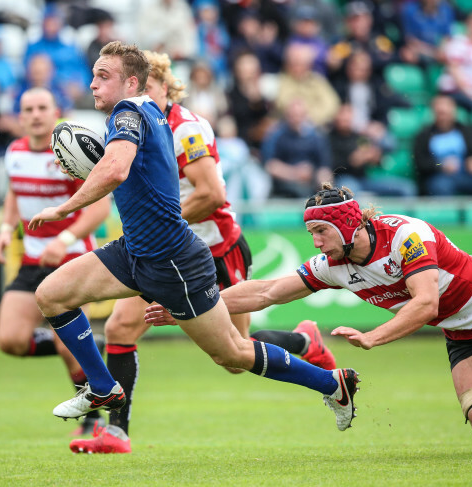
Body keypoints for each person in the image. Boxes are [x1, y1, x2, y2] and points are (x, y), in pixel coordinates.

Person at [28, 41, 359, 448]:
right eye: (93, 74)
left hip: (173, 261)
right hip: (135, 250)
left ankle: (332, 382)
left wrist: (65, 208)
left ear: (132, 82)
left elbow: (116, 169)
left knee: (234, 354)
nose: (92, 84)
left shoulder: (130, 111)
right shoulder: (147, 113)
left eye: (103, 76)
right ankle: (102, 389)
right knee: (51, 296)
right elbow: (125, 170)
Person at [145, 183, 472, 439]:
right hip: (470, 334)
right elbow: (267, 292)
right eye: (311, 233)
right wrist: (191, 305)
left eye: (321, 231)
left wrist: (374, 336)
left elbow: (427, 303)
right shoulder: (333, 266)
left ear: (349, 223)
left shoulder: (407, 236)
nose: (316, 243)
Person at [0, 87, 111, 435]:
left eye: (42, 107)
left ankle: (92, 415)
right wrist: (4, 229)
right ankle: (87, 344)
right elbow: (15, 192)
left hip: (72, 259)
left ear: (55, 111)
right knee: (10, 340)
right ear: (20, 116)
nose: (35, 114)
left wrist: (64, 239)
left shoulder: (70, 152)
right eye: (27, 108)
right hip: (32, 260)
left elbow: (100, 208)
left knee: (65, 342)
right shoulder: (14, 152)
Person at [413, 95, 472, 196]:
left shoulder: (466, 131)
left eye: (446, 113)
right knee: (440, 187)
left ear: (454, 111)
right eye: (440, 113)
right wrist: (441, 165)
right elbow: (421, 162)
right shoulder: (424, 135)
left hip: (467, 175)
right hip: (439, 177)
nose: (443, 117)